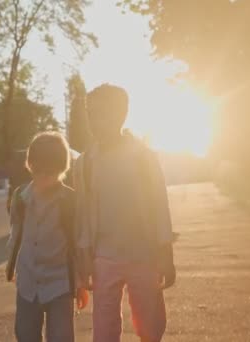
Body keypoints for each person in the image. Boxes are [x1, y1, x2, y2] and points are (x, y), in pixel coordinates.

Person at [73, 84, 176, 342]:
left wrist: (166, 254)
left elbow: (159, 206)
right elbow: (83, 214)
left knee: (150, 326)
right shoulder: (85, 163)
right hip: (104, 258)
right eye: (91, 114)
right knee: (104, 329)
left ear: (122, 114)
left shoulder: (143, 157)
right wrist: (84, 257)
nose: (96, 121)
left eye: (103, 114)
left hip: (144, 255)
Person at [6, 132, 89, 342]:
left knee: (61, 336)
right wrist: (13, 266)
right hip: (28, 282)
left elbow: (77, 242)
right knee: (25, 334)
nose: (43, 177)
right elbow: (16, 234)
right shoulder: (20, 197)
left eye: (49, 172)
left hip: (60, 283)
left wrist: (80, 283)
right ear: (29, 165)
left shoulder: (70, 201)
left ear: (62, 169)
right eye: (38, 171)